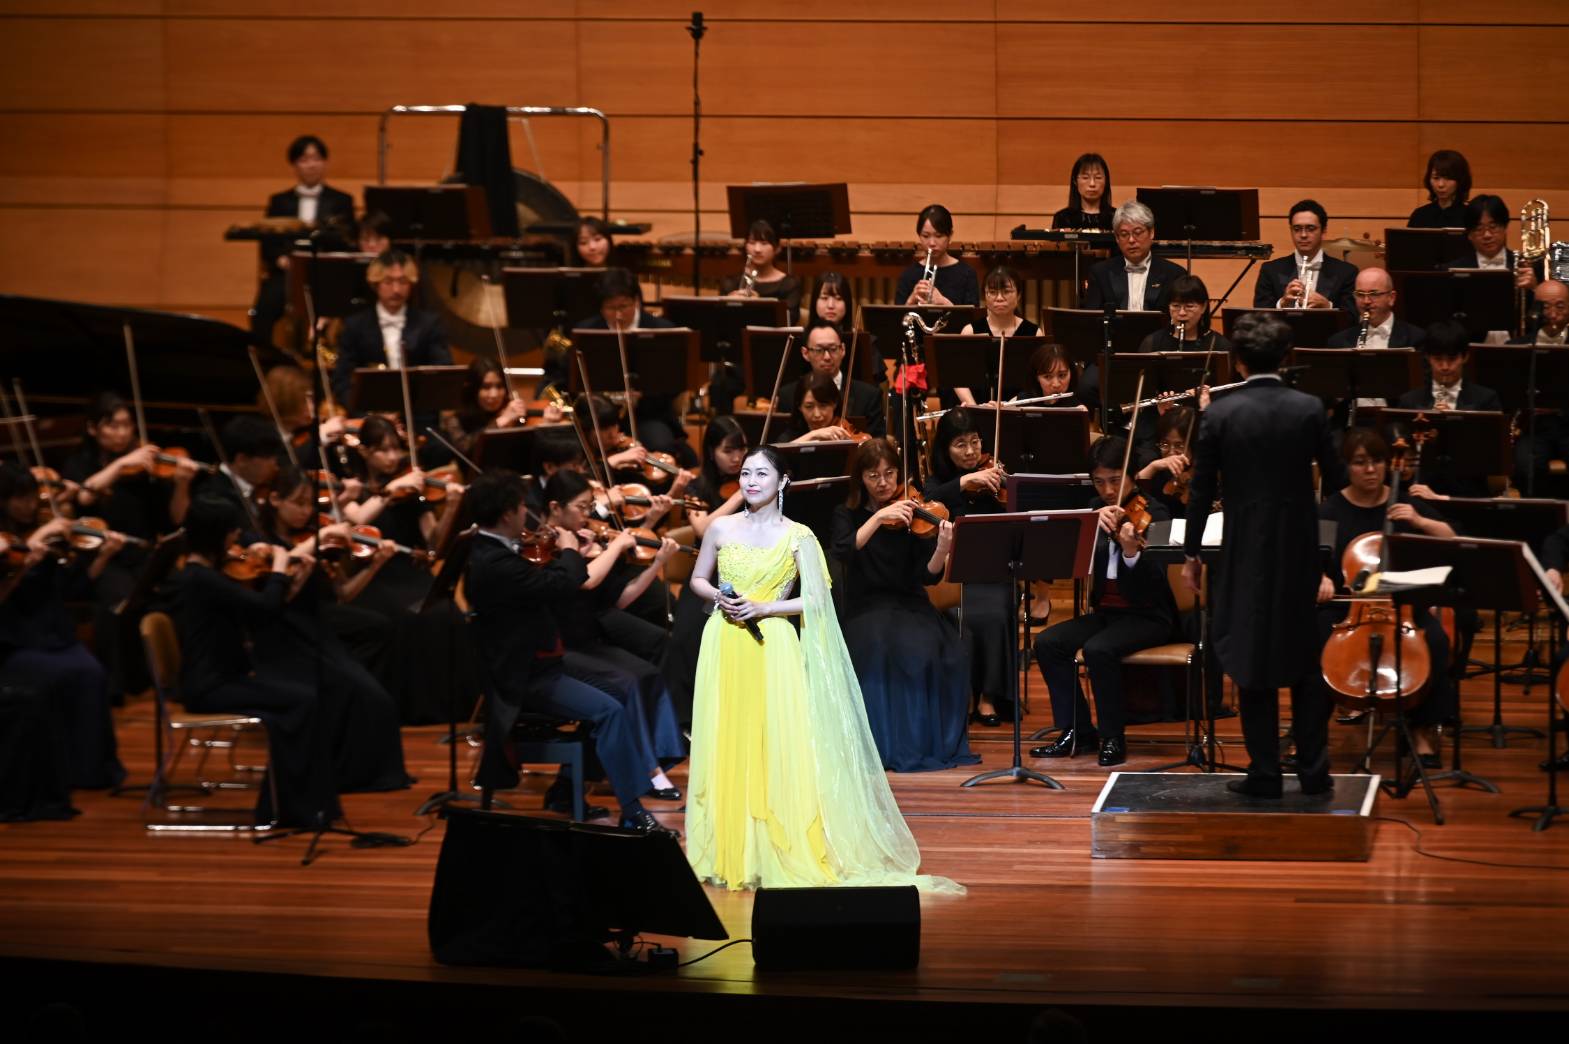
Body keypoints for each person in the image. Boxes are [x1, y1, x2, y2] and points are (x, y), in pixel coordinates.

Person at [684, 445, 961, 892]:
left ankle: (773, 845)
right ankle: (729, 848)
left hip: (773, 643)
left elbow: (816, 599)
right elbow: (698, 579)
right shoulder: (720, 527)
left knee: (775, 742)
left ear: (782, 481)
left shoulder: (799, 536)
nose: (751, 481)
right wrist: (720, 597)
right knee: (727, 738)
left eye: (761, 474)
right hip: (723, 641)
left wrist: (764, 607)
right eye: (746, 473)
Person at [1181, 313, 1341, 797]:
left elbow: (1200, 488)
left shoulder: (1221, 414)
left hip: (1244, 548)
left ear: (1238, 362)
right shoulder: (1309, 408)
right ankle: (1314, 772)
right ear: (1286, 358)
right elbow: (1335, 480)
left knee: (1252, 656)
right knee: (1306, 658)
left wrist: (1192, 552)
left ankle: (1266, 773)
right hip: (1299, 546)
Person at [463, 470, 673, 834]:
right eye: (521, 507)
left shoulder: (499, 552)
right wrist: (572, 550)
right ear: (507, 514)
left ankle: (574, 791)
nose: (526, 514)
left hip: (543, 663)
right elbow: (560, 584)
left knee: (622, 690)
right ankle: (632, 809)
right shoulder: (495, 562)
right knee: (609, 710)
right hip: (523, 676)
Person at [166, 494, 340, 828]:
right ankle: (293, 807)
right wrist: (279, 567)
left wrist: (293, 580)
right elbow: (263, 608)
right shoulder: (201, 579)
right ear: (216, 534)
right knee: (303, 701)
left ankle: (299, 803)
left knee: (304, 698)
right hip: (210, 686)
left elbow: (262, 614)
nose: (238, 539)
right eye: (233, 532)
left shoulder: (209, 574)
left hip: (226, 678)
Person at [831, 438, 976, 772]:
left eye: (890, 474)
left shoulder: (913, 515)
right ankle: (879, 745)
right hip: (866, 605)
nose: (883, 483)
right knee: (879, 647)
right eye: (873, 476)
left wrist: (942, 548)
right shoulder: (847, 514)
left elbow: (927, 576)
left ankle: (923, 741)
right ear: (861, 479)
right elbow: (842, 550)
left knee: (940, 652)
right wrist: (878, 518)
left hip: (910, 602)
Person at [1029, 437, 1176, 766]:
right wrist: (1089, 525)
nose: (1108, 490)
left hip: (1149, 615)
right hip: (1108, 613)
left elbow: (1156, 581)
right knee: (1049, 643)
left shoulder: (1156, 512)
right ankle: (1078, 731)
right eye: (1099, 482)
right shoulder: (1095, 509)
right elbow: (1071, 560)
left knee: (1098, 649)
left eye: (1115, 480)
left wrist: (1130, 552)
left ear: (1132, 475)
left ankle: (1113, 736)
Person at [1317, 429, 1458, 763]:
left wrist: (1419, 520)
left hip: (1402, 605)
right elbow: (1310, 558)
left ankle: (1422, 730)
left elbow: (1451, 538)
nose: (1370, 470)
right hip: (1348, 608)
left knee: (1436, 641)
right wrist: (1319, 577)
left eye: (1377, 461)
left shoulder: (1404, 504)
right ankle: (1310, 732)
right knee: (1314, 636)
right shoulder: (1331, 510)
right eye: (1360, 462)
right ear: (1347, 467)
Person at [62, 392, 199, 699]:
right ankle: (118, 685)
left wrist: (182, 484)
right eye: (113, 425)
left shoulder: (149, 467)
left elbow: (177, 519)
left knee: (188, 590)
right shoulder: (80, 463)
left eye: (127, 425)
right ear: (93, 429)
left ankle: (182, 678)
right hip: (104, 556)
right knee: (119, 601)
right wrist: (123, 463)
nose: (123, 433)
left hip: (145, 553)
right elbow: (85, 494)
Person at [0, 463, 126, 794]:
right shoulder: (9, 542)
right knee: (65, 674)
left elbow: (72, 589)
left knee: (92, 673)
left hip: (51, 632)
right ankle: (56, 770)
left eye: (33, 497)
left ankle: (88, 770)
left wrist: (103, 557)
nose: (30, 506)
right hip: (14, 639)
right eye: (20, 499)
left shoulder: (44, 531)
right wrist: (30, 549)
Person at [924, 407, 1011, 726]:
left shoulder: (992, 480)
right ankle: (966, 693)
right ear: (945, 449)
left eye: (975, 441)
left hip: (991, 574)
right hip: (952, 578)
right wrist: (965, 481)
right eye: (960, 444)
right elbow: (929, 505)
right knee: (965, 616)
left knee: (996, 613)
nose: (971, 451)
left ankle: (989, 696)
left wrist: (1006, 484)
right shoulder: (936, 484)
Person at [660, 416, 748, 724]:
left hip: (749, 571)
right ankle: (683, 721)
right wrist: (740, 495)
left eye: (742, 450)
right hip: (708, 573)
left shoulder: (758, 480)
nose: (737, 458)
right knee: (684, 639)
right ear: (711, 451)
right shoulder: (697, 486)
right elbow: (702, 528)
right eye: (728, 451)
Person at [572, 268, 695, 464]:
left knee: (661, 446)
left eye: (624, 306)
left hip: (648, 414)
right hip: (599, 418)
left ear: (636, 301)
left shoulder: (663, 330)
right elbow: (574, 377)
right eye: (610, 308)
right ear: (601, 307)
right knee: (571, 447)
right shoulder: (586, 331)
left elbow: (674, 383)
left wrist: (642, 396)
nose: (618, 314)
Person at [251, 135, 355, 342]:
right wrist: (281, 259)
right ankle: (263, 356)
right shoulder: (279, 201)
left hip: (327, 273)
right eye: (304, 160)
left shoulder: (341, 200)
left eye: (316, 158)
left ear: (325, 162)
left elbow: (348, 240)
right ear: (294, 165)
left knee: (353, 306)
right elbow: (268, 241)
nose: (311, 165)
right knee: (264, 309)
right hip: (288, 273)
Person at [331, 250, 452, 409]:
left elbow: (442, 373)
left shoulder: (429, 324)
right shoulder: (355, 326)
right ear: (375, 284)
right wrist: (364, 411)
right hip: (370, 413)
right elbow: (342, 380)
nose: (396, 289)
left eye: (403, 281)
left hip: (419, 412)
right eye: (388, 282)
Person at [951, 265, 1042, 406]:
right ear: (985, 296)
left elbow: (1038, 379)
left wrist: (1010, 406)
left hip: (1019, 407)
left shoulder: (1034, 333)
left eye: (1006, 292)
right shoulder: (970, 331)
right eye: (992, 292)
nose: (999, 298)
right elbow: (959, 377)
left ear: (1018, 295)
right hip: (978, 407)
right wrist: (974, 407)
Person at [774, 324, 886, 438]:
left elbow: (878, 444)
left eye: (833, 349)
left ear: (843, 349)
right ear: (805, 353)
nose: (827, 357)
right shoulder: (787, 395)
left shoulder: (869, 395)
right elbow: (780, 442)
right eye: (819, 350)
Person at [1252, 200, 1358, 313]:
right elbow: (1258, 316)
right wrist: (1281, 303)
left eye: (1310, 228)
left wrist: (1328, 306)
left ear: (1323, 231)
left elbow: (1352, 318)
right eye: (1297, 229)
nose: (1303, 235)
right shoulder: (1270, 270)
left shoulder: (1347, 272)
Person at [1081, 200, 1186, 313]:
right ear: (1117, 238)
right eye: (1124, 234)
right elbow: (1091, 318)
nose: (1131, 240)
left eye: (1138, 232)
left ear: (1151, 233)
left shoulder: (1174, 274)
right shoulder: (1100, 273)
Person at [896, 204, 980, 308]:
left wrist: (944, 303)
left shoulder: (967, 274)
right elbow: (897, 318)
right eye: (925, 236)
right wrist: (911, 300)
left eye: (939, 236)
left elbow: (973, 317)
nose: (932, 243)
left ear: (950, 235)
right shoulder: (908, 275)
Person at [720, 219, 802, 321]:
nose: (757, 249)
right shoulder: (730, 283)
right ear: (745, 246)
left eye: (764, 243)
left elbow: (790, 321)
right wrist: (726, 305)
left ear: (777, 248)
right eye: (752, 242)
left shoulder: (790, 284)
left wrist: (758, 305)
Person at [1326, 267, 1426, 348]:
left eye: (1374, 294)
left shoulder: (1417, 338)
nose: (1366, 301)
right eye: (1360, 294)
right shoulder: (1337, 342)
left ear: (1391, 298)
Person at [1137, 275, 1232, 353]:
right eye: (1176, 306)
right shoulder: (1152, 342)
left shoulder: (1220, 346)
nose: (1182, 313)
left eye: (1189, 306)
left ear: (1204, 307)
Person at [1407, 149, 1471, 229]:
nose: (1440, 184)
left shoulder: (1471, 216)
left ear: (1460, 180)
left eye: (1448, 178)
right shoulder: (1419, 215)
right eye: (1436, 178)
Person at [1051, 153, 1113, 231]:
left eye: (1098, 177)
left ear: (1106, 181)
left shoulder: (1116, 217)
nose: (1092, 184)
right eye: (1085, 177)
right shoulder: (1063, 218)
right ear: (1075, 181)